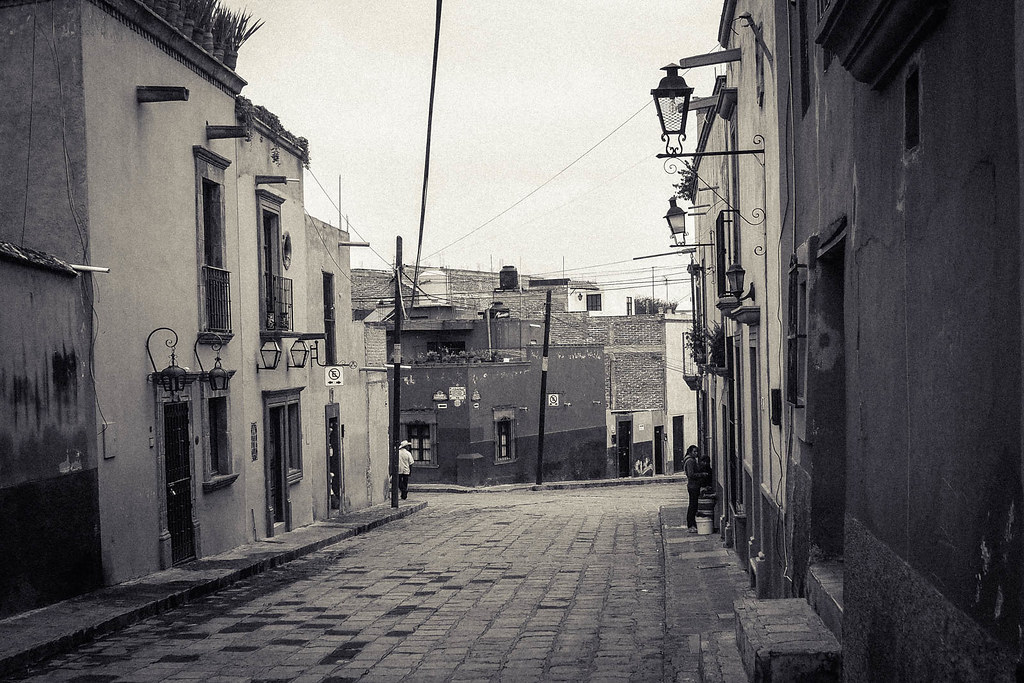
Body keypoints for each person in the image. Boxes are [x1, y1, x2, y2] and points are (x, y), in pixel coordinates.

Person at [682, 445, 704, 533]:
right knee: (693, 506)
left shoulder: (691, 460)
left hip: (693, 486)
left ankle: (692, 524)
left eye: (697, 452)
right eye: (694, 452)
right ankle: (691, 525)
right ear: (690, 452)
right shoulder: (690, 461)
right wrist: (701, 475)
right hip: (693, 486)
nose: (696, 453)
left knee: (693, 505)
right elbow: (691, 474)